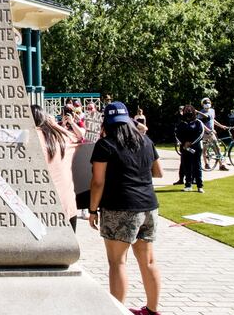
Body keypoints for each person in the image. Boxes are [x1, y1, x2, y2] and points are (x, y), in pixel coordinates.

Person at [89, 101, 163, 315]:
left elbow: (98, 182)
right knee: (148, 261)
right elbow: (157, 172)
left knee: (117, 262)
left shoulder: (105, 145)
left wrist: (93, 210)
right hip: (149, 206)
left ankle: (116, 311)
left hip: (119, 207)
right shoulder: (145, 140)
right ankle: (152, 310)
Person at [31, 105, 80, 231]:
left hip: (38, 208)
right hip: (67, 205)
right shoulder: (63, 138)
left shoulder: (26, 139)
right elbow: (79, 137)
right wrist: (55, 125)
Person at [176, 105, 205, 193]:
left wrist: (191, 143)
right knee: (187, 166)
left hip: (196, 148)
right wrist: (184, 143)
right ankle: (188, 185)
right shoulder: (181, 123)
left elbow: (201, 134)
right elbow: (177, 134)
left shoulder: (198, 122)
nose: (188, 115)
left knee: (197, 166)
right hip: (185, 148)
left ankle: (199, 186)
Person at [197, 97, 228, 171]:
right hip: (204, 133)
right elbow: (201, 123)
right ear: (202, 104)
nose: (207, 104)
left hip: (211, 133)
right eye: (205, 103)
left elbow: (213, 120)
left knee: (217, 148)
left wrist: (221, 126)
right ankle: (206, 164)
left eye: (208, 103)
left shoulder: (212, 111)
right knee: (204, 149)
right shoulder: (201, 113)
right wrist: (208, 130)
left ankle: (221, 165)